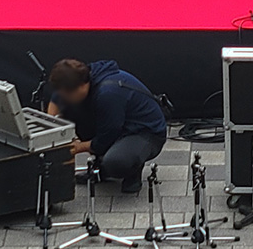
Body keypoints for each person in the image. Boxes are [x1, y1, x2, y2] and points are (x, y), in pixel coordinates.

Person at [46, 59, 166, 193]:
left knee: (115, 162)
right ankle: (100, 168)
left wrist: (78, 147)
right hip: (118, 123)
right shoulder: (82, 77)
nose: (63, 97)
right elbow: (57, 98)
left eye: (66, 94)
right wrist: (50, 128)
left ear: (80, 86)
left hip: (147, 132)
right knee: (72, 108)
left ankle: (132, 170)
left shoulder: (108, 93)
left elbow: (107, 136)